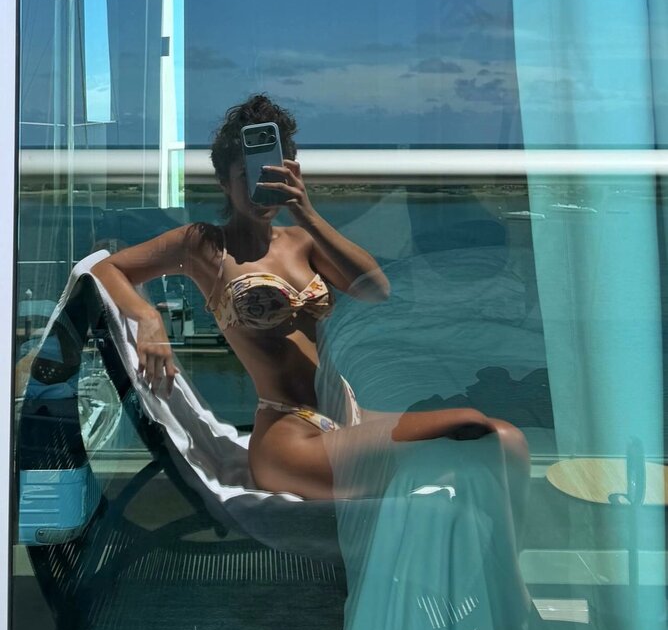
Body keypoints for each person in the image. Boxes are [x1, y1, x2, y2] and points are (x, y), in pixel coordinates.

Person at [91, 93, 529, 523]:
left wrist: (306, 212)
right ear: (224, 182)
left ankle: (494, 572)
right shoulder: (205, 245)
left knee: (506, 439)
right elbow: (107, 268)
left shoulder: (303, 241)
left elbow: (376, 289)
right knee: (474, 433)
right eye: (246, 175)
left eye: (271, 171)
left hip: (346, 414)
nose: (260, 186)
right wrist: (147, 318)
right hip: (288, 437)